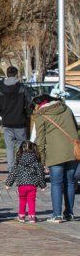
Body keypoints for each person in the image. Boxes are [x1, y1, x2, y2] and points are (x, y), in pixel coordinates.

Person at [31, 91, 79, 223]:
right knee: (70, 182)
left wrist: (41, 160)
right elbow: (75, 126)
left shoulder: (41, 116)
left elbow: (40, 140)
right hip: (73, 151)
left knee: (56, 183)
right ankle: (69, 213)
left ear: (39, 104)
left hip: (55, 153)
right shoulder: (66, 108)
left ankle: (57, 215)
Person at [0, 66, 30, 171]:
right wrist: (26, 115)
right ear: (16, 74)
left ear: (7, 74)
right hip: (20, 121)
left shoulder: (1, 88)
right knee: (21, 146)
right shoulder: (22, 88)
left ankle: (11, 169)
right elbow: (29, 103)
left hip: (7, 122)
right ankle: (21, 168)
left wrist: (3, 114)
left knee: (9, 147)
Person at [4, 141, 46, 223]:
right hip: (32, 185)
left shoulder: (19, 160)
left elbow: (13, 172)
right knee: (31, 200)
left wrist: (8, 184)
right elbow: (40, 174)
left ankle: (21, 216)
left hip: (21, 185)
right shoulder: (36, 161)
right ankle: (32, 217)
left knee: (22, 200)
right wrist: (42, 185)